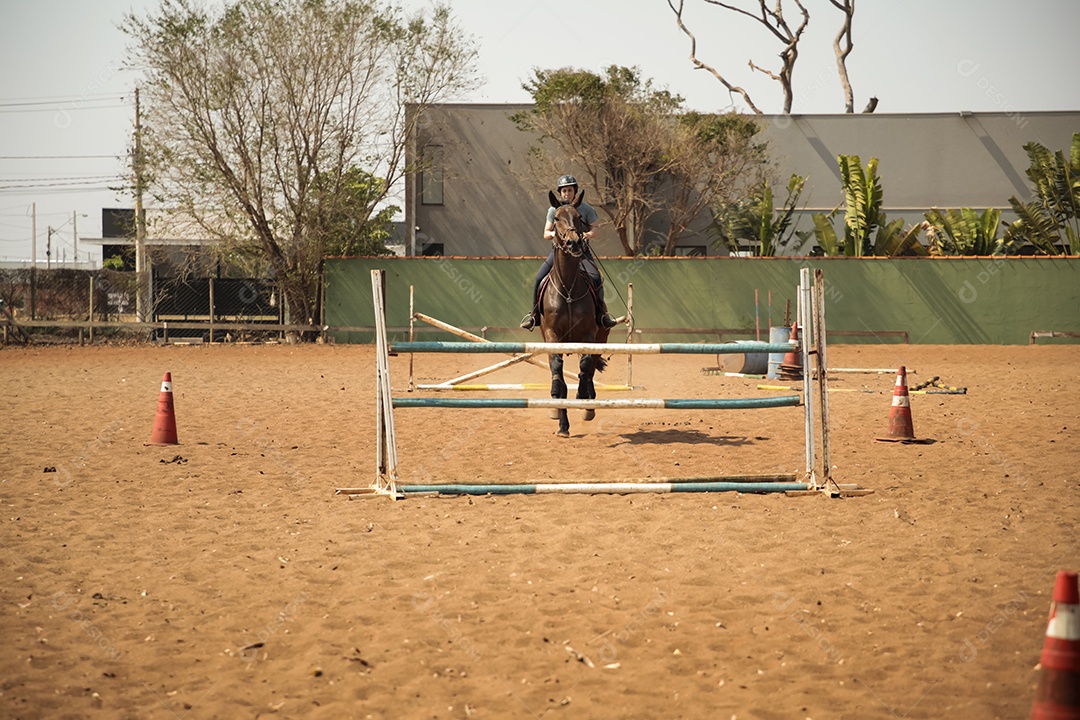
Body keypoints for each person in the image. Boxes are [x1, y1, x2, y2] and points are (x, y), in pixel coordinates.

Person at [520, 175, 618, 331]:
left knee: (596, 277)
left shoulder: (586, 209)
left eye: (570, 190)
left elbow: (596, 229)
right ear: (560, 192)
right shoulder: (554, 210)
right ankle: (534, 315)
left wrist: (587, 235)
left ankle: (602, 315)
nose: (567, 193)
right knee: (539, 278)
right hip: (560, 253)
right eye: (564, 191)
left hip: (581, 251)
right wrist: (558, 235)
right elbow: (546, 233)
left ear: (575, 191)